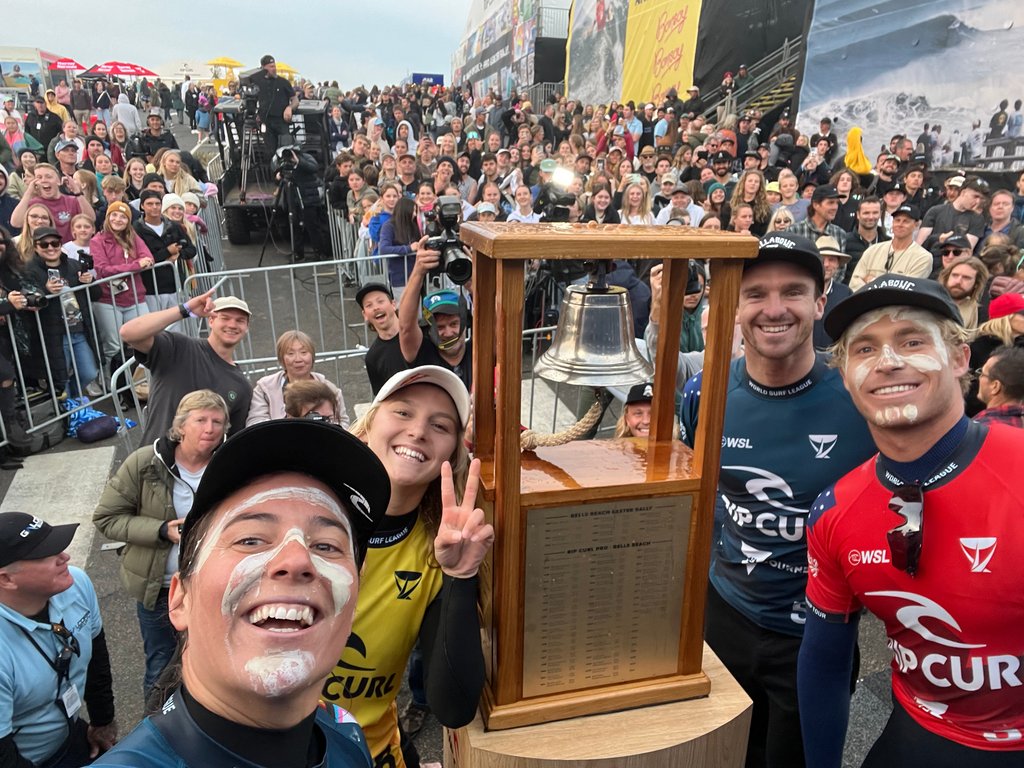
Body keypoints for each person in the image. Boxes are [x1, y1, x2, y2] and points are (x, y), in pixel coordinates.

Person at [800, 275, 1024, 768]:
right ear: (844, 374)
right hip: (917, 736)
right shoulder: (835, 510)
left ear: (961, 358)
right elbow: (823, 665)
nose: (888, 362)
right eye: (864, 349)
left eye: (912, 341)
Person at [679, 233, 875, 768]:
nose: (773, 309)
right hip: (725, 617)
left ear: (820, 301)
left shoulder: (860, 399)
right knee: (722, 755)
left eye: (792, 291)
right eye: (755, 293)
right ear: (734, 307)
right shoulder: (704, 392)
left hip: (818, 636)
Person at [92, 418, 392, 767]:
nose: (297, 560)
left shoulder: (349, 740)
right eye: (250, 539)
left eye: (326, 546)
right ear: (179, 598)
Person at [322, 366, 492, 768]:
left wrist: (462, 577)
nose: (418, 431)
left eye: (440, 425)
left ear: (452, 453)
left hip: (373, 752)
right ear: (366, 426)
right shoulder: (304, 514)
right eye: (402, 412)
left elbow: (453, 707)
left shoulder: (438, 549)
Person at [93, 390, 229, 698]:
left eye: (217, 421)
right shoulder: (144, 463)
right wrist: (159, 530)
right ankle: (156, 734)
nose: (210, 428)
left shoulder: (229, 464)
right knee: (161, 667)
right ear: (180, 426)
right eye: (201, 420)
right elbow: (106, 518)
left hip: (214, 584)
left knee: (215, 664)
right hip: (160, 588)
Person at [0, 512, 117, 767]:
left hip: (72, 734)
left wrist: (103, 720)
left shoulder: (77, 584)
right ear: (6, 579)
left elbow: (96, 657)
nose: (65, 557)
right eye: (46, 554)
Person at [119, 291, 253, 445]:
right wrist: (185, 309)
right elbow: (128, 333)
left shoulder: (241, 386)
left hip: (200, 468)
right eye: (225, 318)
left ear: (246, 327)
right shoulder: (178, 347)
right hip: (153, 460)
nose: (232, 325)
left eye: (240, 320)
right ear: (211, 320)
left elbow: (232, 443)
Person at [247, 330, 349, 427]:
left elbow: (343, 422)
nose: (298, 359)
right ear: (281, 358)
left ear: (312, 356)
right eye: (290, 353)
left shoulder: (331, 390)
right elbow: (255, 422)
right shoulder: (264, 388)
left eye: (304, 352)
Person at [399, 257, 473, 390]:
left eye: (454, 324)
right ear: (428, 330)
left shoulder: (478, 351)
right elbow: (406, 327)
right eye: (440, 327)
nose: (449, 333)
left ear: (464, 322)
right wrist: (418, 271)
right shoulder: (423, 356)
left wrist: (474, 283)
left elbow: (500, 323)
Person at [848, 204, 932, 290]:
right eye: (897, 220)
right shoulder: (872, 250)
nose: (900, 224)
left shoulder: (923, 257)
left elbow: (906, 290)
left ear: (916, 225)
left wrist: (872, 281)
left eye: (906, 221)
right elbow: (854, 283)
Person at [10, 163, 93, 243]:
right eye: (39, 177)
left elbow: (91, 218)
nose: (44, 180)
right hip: (44, 249)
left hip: (68, 250)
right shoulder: (33, 203)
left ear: (59, 181)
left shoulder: (72, 201)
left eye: (48, 177)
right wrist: (28, 193)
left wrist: (77, 192)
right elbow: (16, 223)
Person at [813, 236, 853, 350]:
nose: (826, 264)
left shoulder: (846, 294)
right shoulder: (801, 292)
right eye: (822, 259)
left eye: (831, 259)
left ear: (838, 264)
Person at [938, 255, 988, 330]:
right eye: (955, 275)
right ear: (947, 277)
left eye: (966, 278)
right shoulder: (930, 300)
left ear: (976, 284)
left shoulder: (978, 312)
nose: (958, 281)